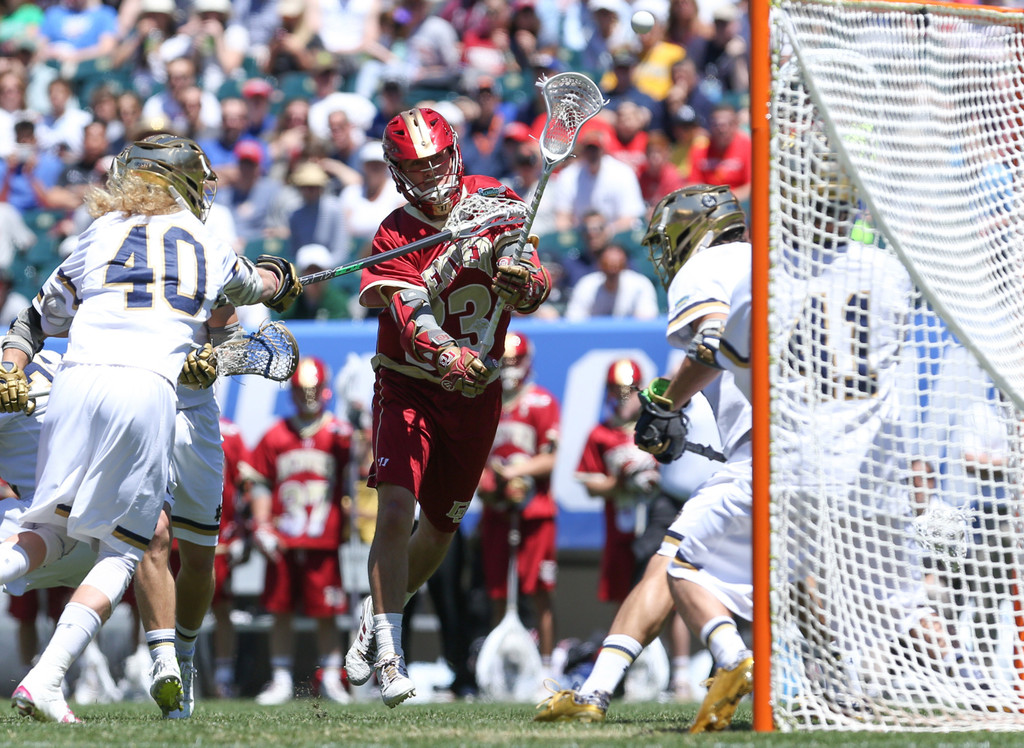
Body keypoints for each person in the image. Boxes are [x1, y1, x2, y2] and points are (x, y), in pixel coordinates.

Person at [0, 133, 302, 723]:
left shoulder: (96, 233)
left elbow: (32, 321)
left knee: (54, 533)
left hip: (71, 384)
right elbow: (259, 286)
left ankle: (65, 673)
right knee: (122, 549)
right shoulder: (206, 240)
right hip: (145, 391)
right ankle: (48, 678)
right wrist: (279, 276)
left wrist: (9, 366)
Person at [345, 106, 552, 707]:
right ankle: (390, 651)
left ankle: (377, 610)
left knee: (438, 532)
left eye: (437, 160)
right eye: (417, 166)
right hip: (410, 383)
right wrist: (444, 355)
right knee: (395, 512)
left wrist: (525, 284)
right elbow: (409, 318)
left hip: (478, 390)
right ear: (396, 171)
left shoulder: (498, 200)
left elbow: (533, 276)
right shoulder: (393, 233)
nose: (432, 174)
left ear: (455, 153)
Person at [535, 184, 752, 731]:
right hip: (829, 448)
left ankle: (725, 662)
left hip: (767, 455)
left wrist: (662, 404)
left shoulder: (709, 270)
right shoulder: (774, 262)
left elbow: (711, 345)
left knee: (675, 564)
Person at [248, 356, 354, 706]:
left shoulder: (339, 432)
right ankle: (280, 678)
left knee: (328, 613)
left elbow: (362, 466)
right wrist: (262, 524)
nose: (308, 398)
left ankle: (332, 676)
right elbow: (260, 483)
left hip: (322, 538)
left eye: (313, 391)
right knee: (281, 611)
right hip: (285, 537)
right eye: (302, 391)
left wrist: (362, 420)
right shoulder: (276, 434)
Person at [476, 330, 560, 689]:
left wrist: (515, 472)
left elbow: (551, 456)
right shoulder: (484, 401)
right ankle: (500, 666)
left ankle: (545, 666)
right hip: (496, 509)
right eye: (504, 362)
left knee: (540, 591)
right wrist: (488, 483)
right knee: (497, 590)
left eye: (514, 362)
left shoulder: (541, 402)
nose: (509, 370)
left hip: (535, 510)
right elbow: (474, 457)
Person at [563, 244, 660, 322]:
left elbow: (647, 320)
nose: (613, 270)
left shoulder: (640, 284)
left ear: (625, 265)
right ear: (599, 265)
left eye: (618, 265)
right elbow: (574, 321)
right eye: (607, 265)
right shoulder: (587, 285)